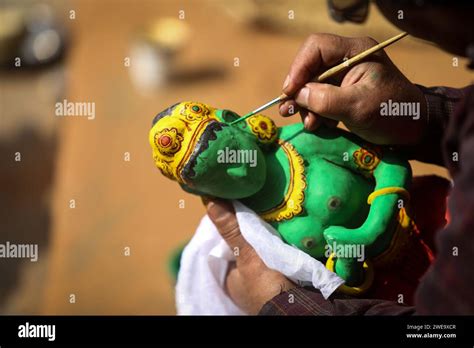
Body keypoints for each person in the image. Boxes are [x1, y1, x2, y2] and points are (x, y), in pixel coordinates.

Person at [205, 0, 474, 315]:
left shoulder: (304, 141)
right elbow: (338, 280)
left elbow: (387, 164)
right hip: (393, 287)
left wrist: (280, 306)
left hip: (431, 217)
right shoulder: (260, 233)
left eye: (353, 5)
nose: (237, 170)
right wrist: (419, 113)